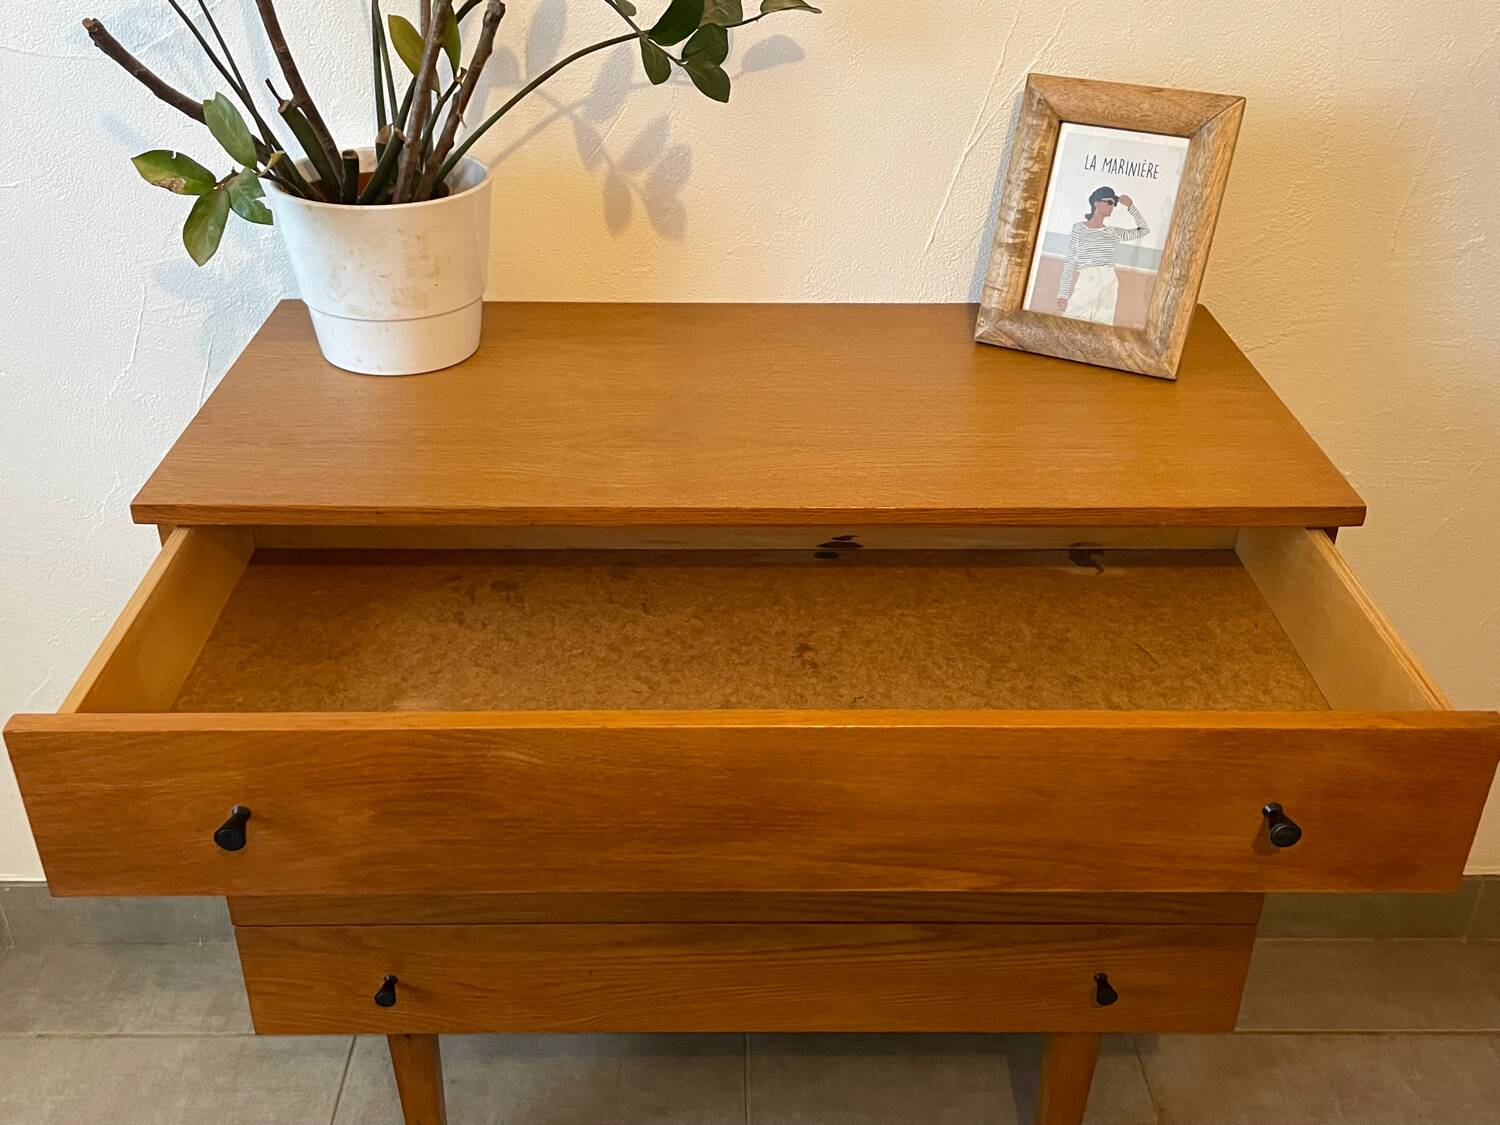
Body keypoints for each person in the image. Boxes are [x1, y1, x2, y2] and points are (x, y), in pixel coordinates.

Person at [1055, 186, 1150, 325]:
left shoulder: (1113, 232)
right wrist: (1062, 295)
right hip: (1087, 279)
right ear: (1096, 203)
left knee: (1102, 324)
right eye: (1109, 202)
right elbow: (1069, 262)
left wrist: (1130, 206)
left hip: (1108, 280)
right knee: (1073, 321)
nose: (1112, 206)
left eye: (1114, 204)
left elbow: (1144, 230)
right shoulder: (1078, 228)